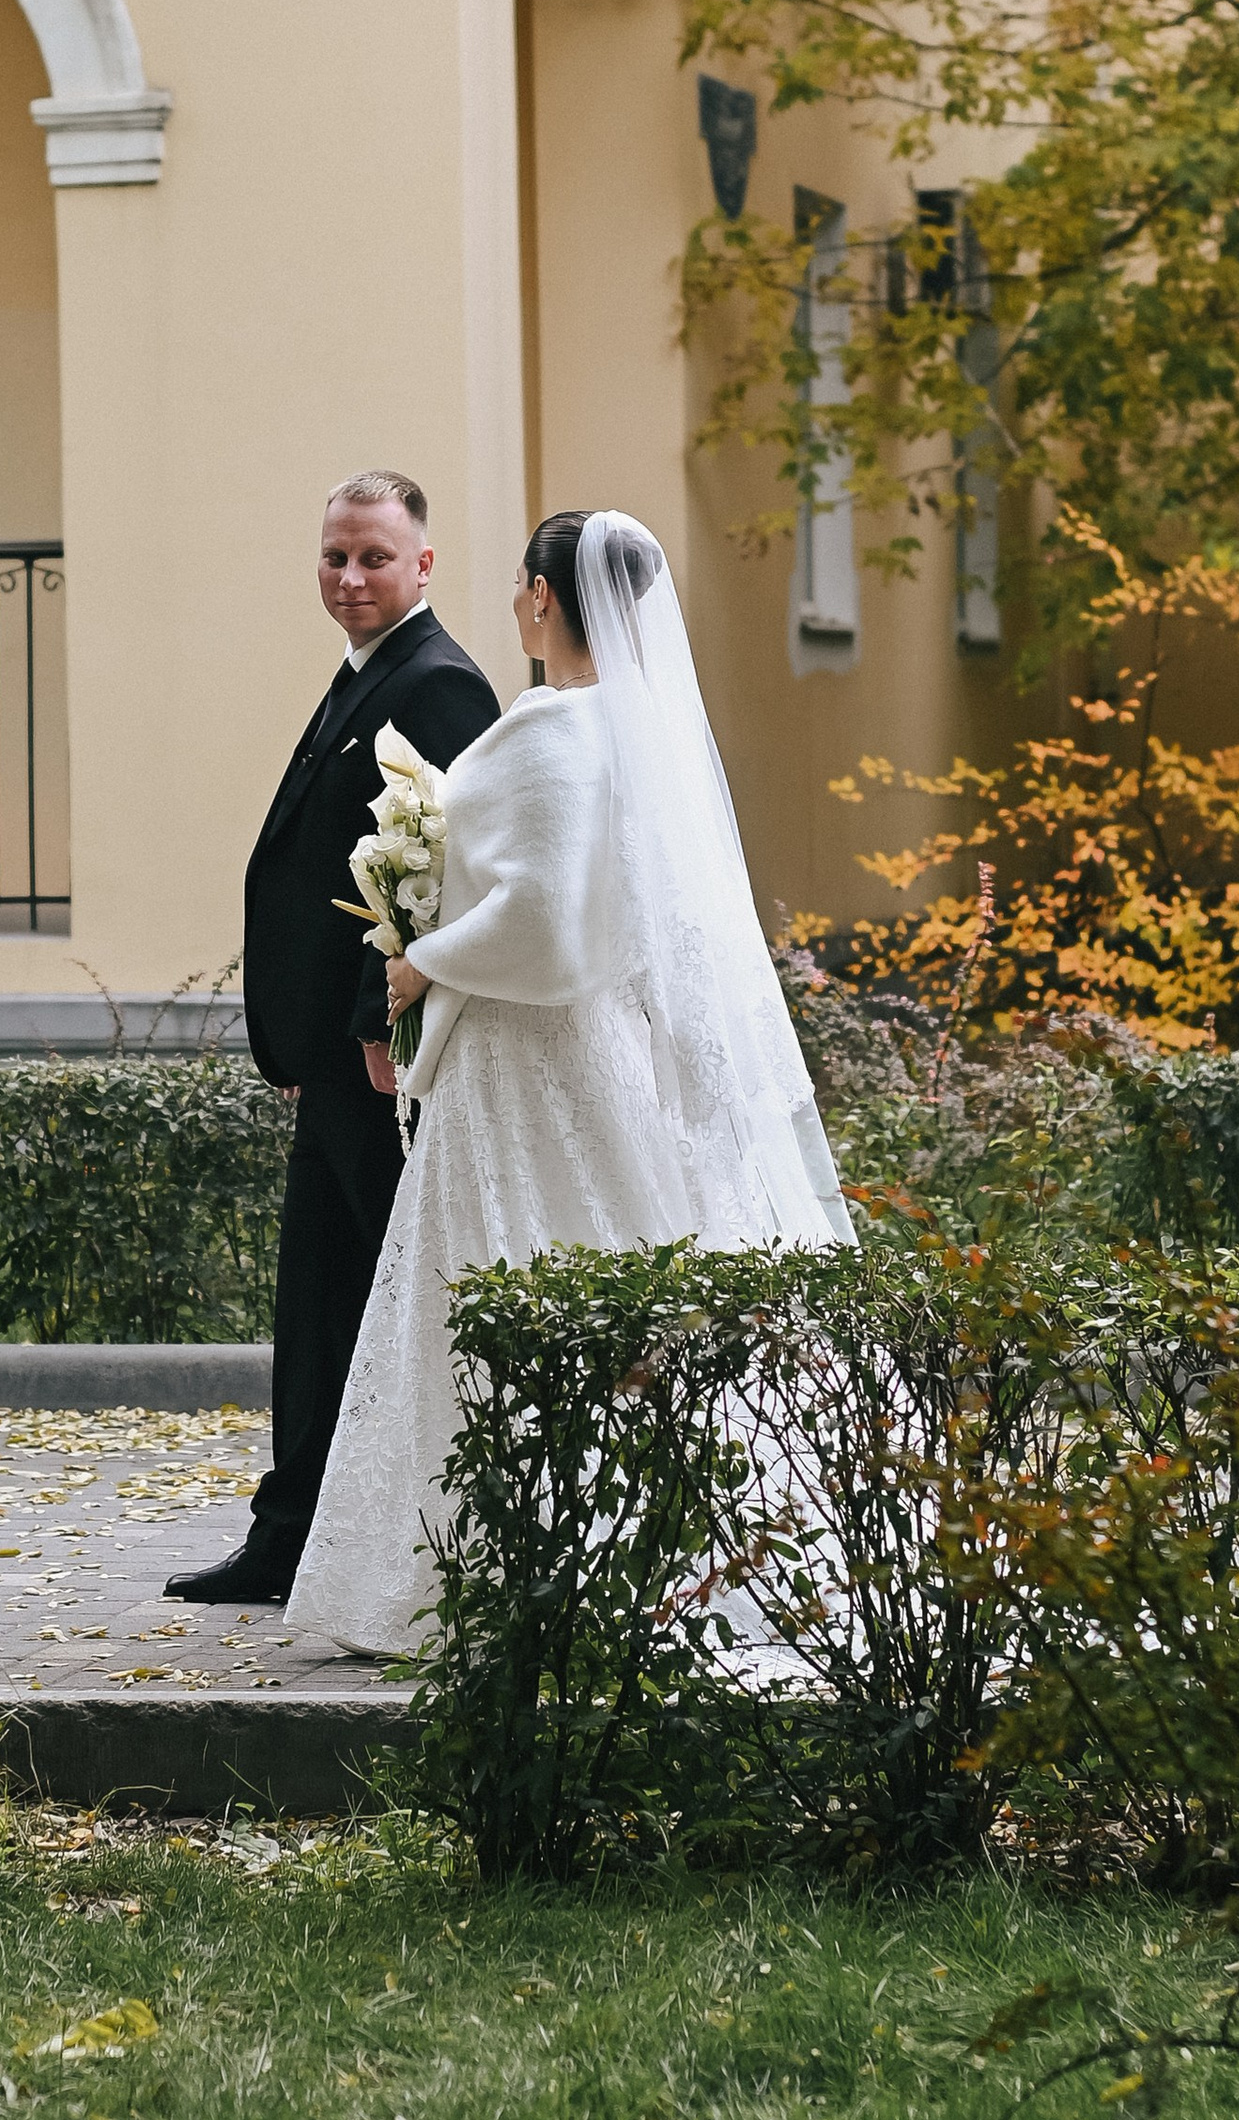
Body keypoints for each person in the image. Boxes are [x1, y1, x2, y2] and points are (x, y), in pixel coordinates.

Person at [284, 506, 852, 1657]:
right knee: (588, 1286)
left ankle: (488, 1566)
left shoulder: (551, 731)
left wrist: (415, 958)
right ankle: (617, 1550)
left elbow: (544, 926)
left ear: (545, 597)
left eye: (517, 584)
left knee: (494, 1294)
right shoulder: (633, 733)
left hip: (522, 1062)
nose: (511, 602)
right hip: (588, 1055)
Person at [164, 469, 501, 1609]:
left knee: (377, 1297)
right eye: (332, 557)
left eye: (371, 558)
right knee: (318, 1297)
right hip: (333, 1060)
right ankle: (292, 1534)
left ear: (423, 563)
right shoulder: (372, 668)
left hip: (379, 1060)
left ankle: (374, 1531)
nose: (349, 577)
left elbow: (445, 873)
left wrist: (375, 1023)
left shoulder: (442, 682)